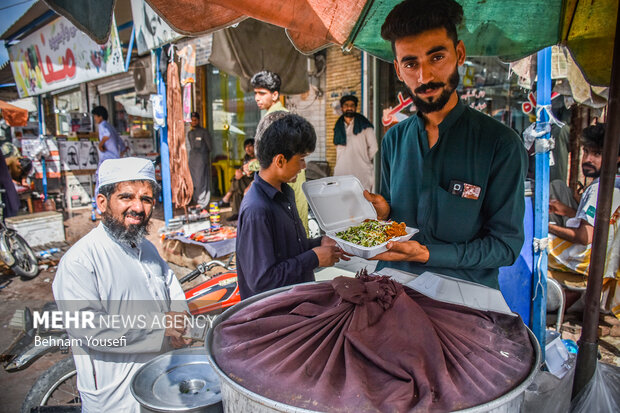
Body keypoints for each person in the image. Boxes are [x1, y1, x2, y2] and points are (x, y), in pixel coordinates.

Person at [363, 0, 528, 289]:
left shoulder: (501, 145)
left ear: (459, 54)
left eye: (436, 57)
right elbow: (393, 223)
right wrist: (383, 214)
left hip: (465, 294)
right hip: (393, 286)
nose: (424, 77)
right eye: (411, 63)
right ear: (398, 70)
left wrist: (427, 253)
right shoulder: (394, 140)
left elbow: (505, 247)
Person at [53, 157, 191, 412]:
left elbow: (173, 288)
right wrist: (160, 328)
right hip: (115, 399)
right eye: (127, 197)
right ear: (102, 203)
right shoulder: (80, 261)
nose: (138, 207)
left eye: (146, 199)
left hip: (160, 385)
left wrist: (181, 321)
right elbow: (91, 330)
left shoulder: (147, 249)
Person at [236, 114, 345, 299]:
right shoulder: (257, 210)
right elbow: (262, 281)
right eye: (301, 159)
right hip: (275, 316)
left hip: (298, 301)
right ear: (280, 161)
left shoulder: (286, 193)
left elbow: (289, 250)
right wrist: (314, 258)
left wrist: (319, 243)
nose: (304, 166)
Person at [548, 123, 620, 280]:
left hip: (588, 259)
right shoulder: (616, 182)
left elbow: (584, 237)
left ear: (616, 158)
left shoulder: (598, 188)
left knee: (536, 239)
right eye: (586, 152)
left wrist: (547, 227)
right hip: (607, 256)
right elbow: (598, 224)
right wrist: (567, 211)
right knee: (558, 186)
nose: (588, 159)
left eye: (597, 154)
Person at [251, 70, 310, 234]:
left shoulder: (276, 119)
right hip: (290, 179)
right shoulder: (281, 115)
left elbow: (273, 158)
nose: (257, 98)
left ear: (275, 95)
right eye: (256, 93)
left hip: (289, 179)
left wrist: (249, 167)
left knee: (293, 229)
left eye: (262, 93)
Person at [333, 95, 378, 191]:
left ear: (356, 107)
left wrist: (363, 159)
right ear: (342, 108)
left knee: (362, 200)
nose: (349, 108)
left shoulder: (365, 126)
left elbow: (374, 147)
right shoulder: (338, 126)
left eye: (352, 105)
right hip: (341, 172)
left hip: (361, 173)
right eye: (346, 105)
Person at [222, 138, 255, 220]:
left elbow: (257, 172)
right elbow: (241, 169)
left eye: (250, 146)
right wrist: (239, 172)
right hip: (246, 181)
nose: (248, 149)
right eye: (246, 147)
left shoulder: (258, 158)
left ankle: (227, 197)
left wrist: (242, 174)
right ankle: (236, 213)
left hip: (254, 181)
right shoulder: (246, 158)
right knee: (236, 182)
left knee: (237, 182)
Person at [187, 111, 213, 208]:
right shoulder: (190, 133)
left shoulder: (204, 132)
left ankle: (202, 203)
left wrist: (204, 158)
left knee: (201, 181)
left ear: (198, 120)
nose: (193, 122)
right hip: (192, 160)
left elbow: (210, 147)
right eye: (191, 120)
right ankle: (196, 201)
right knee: (193, 181)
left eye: (195, 120)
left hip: (202, 160)